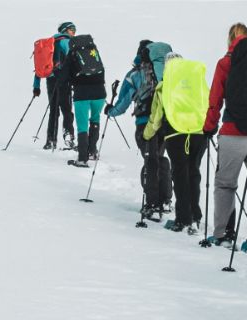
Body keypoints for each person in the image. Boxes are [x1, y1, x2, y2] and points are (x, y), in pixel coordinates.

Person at [201, 24, 247, 247]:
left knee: (226, 184)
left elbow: (215, 100)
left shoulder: (225, 62)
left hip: (231, 133)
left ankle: (223, 233)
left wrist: (209, 127)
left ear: (230, 40)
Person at [143, 50, 211, 232]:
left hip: (175, 134)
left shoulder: (164, 87)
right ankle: (196, 215)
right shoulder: (197, 84)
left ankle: (183, 219)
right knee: (194, 173)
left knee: (180, 175)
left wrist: (147, 134)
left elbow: (156, 116)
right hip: (199, 133)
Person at [108, 41, 171, 216]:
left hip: (145, 124)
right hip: (167, 123)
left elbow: (123, 104)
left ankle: (152, 204)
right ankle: (165, 200)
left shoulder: (134, 74)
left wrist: (110, 111)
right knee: (160, 158)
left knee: (151, 161)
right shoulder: (167, 71)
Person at [63, 31, 108, 167]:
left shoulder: (72, 55)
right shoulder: (94, 52)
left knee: (82, 126)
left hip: (82, 94)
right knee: (95, 119)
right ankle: (92, 151)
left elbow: (64, 76)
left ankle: (82, 158)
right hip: (99, 93)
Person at [35, 22, 78, 150]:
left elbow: (40, 64)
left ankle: (50, 140)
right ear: (64, 30)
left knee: (54, 110)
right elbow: (73, 58)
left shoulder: (49, 43)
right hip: (63, 80)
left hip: (50, 80)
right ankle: (69, 138)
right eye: (71, 30)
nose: (73, 32)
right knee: (66, 110)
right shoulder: (66, 42)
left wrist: (36, 85)